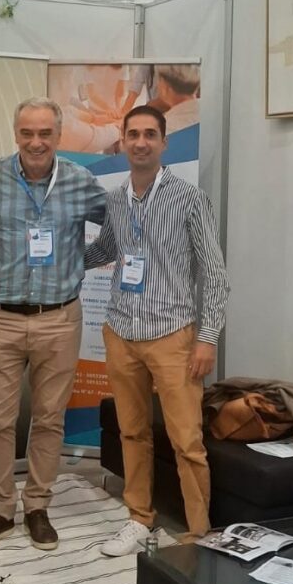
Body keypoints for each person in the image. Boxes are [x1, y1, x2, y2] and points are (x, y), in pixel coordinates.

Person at [0, 97, 106, 552]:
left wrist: (77, 261)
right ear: (16, 134)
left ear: (59, 136)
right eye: (27, 133)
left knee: (49, 419)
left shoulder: (80, 182)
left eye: (44, 133)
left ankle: (37, 506)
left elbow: (119, 229)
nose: (35, 142)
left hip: (59, 318)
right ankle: (0, 510)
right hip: (0, 317)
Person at [85, 104, 230, 556]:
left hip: (173, 335)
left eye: (150, 134)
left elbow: (215, 274)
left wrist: (207, 338)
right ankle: (139, 519)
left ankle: (198, 531)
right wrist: (56, 256)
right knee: (132, 433)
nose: (141, 142)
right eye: (134, 134)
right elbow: (105, 250)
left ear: (164, 143)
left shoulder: (189, 198)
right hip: (121, 330)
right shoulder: (115, 199)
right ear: (123, 142)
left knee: (187, 441)